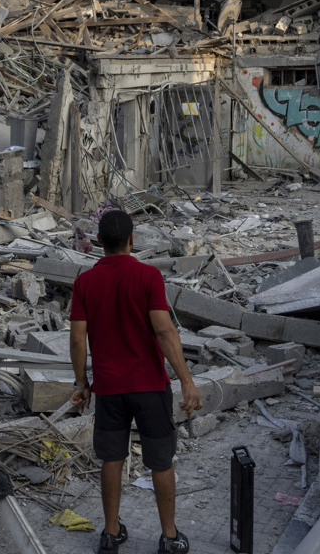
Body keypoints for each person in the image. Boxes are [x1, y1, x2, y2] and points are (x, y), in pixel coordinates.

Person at [69, 210, 201, 554]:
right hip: (149, 386)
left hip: (110, 389)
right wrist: (186, 380)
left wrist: (81, 382)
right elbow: (163, 329)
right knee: (160, 460)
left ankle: (111, 534)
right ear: (132, 240)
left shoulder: (85, 282)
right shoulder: (148, 276)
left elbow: (77, 339)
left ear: (99, 243)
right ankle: (170, 537)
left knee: (111, 460)